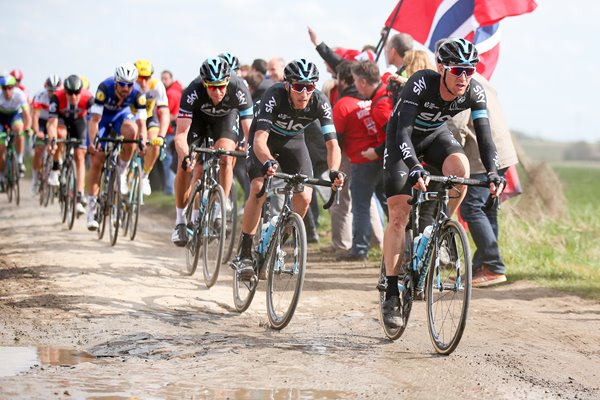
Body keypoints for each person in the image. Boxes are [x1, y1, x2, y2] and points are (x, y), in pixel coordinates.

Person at [380, 38, 504, 329]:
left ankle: (442, 225)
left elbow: (486, 139)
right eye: (458, 70)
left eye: (470, 70)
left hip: (436, 136)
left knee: (460, 170)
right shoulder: (421, 83)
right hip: (403, 140)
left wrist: (493, 172)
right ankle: (391, 292)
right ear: (441, 68)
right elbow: (403, 134)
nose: (464, 77)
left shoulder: (474, 90)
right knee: (399, 215)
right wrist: (414, 168)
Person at [232, 59, 344, 280]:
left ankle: (277, 242)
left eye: (309, 87)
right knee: (258, 187)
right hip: (264, 142)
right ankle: (245, 252)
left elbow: (332, 144)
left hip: (294, 141)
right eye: (298, 87)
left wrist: (333, 171)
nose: (304, 92)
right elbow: (259, 141)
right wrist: (267, 161)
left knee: (304, 196)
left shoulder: (320, 101)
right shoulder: (273, 96)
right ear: (287, 86)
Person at [171, 57, 253, 246]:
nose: (217, 92)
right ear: (203, 83)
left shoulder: (239, 88)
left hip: (225, 120)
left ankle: (219, 207)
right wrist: (185, 157)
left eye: (221, 86)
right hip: (198, 122)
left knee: (225, 155)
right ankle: (181, 221)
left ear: (228, 82)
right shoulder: (192, 91)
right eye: (212, 87)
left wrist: (251, 156)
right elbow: (181, 135)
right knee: (186, 168)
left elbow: (250, 133)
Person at [448, 72, 518, 287]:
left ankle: (493, 265)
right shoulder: (483, 80)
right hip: (503, 152)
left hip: (480, 156)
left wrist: (448, 154)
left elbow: (457, 127)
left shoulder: (461, 86)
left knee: (471, 208)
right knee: (487, 208)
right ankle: (483, 266)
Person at [333, 61, 391, 261]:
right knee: (387, 205)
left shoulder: (379, 103)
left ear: (363, 81)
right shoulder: (380, 96)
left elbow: (395, 132)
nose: (356, 85)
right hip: (381, 161)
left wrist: (377, 151)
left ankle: (359, 248)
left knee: (360, 206)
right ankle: (397, 247)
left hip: (364, 159)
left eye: (358, 81)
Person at [85, 62, 148, 231]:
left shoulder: (137, 94)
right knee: (97, 161)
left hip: (121, 115)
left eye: (129, 84)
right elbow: (94, 120)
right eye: (122, 84)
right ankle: (91, 209)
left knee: (132, 131)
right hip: (103, 118)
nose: (125, 88)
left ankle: (122, 169)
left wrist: (143, 141)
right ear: (116, 81)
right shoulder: (104, 88)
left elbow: (142, 123)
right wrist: (93, 142)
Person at [46, 74, 94, 215]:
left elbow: (93, 122)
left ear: (81, 90)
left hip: (79, 122)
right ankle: (56, 167)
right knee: (60, 135)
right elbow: (52, 123)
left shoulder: (88, 98)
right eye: (70, 93)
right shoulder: (56, 97)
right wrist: (52, 140)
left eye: (76, 93)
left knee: (80, 156)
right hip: (62, 120)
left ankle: (79, 195)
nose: (73, 97)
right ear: (64, 91)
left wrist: (92, 141)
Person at [134, 59, 170, 196]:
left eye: (147, 78)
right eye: (140, 78)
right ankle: (123, 172)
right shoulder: (129, 85)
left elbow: (165, 112)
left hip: (149, 117)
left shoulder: (156, 85)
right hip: (131, 118)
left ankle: (144, 175)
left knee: (155, 144)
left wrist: (161, 136)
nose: (143, 82)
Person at [0, 75, 32, 191]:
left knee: (19, 130)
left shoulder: (20, 95)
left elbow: (27, 116)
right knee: (1, 148)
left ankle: (19, 159)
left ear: (14, 87)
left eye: (9, 88)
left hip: (14, 116)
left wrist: (27, 128)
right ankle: (2, 175)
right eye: (4, 88)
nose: (7, 91)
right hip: (1, 117)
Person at [30, 75, 62, 192]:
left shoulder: (62, 97)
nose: (53, 93)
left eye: (55, 91)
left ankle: (58, 163)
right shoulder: (40, 96)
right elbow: (35, 116)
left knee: (59, 140)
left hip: (55, 121)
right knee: (38, 150)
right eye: (50, 91)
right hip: (42, 122)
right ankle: (34, 179)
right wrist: (37, 131)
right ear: (46, 88)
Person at [160, 69, 183, 195]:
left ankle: (170, 190)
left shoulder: (170, 93)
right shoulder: (177, 90)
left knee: (168, 161)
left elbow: (167, 114)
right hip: (174, 130)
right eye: (162, 78)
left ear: (171, 79)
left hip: (169, 131)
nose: (163, 81)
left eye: (165, 78)